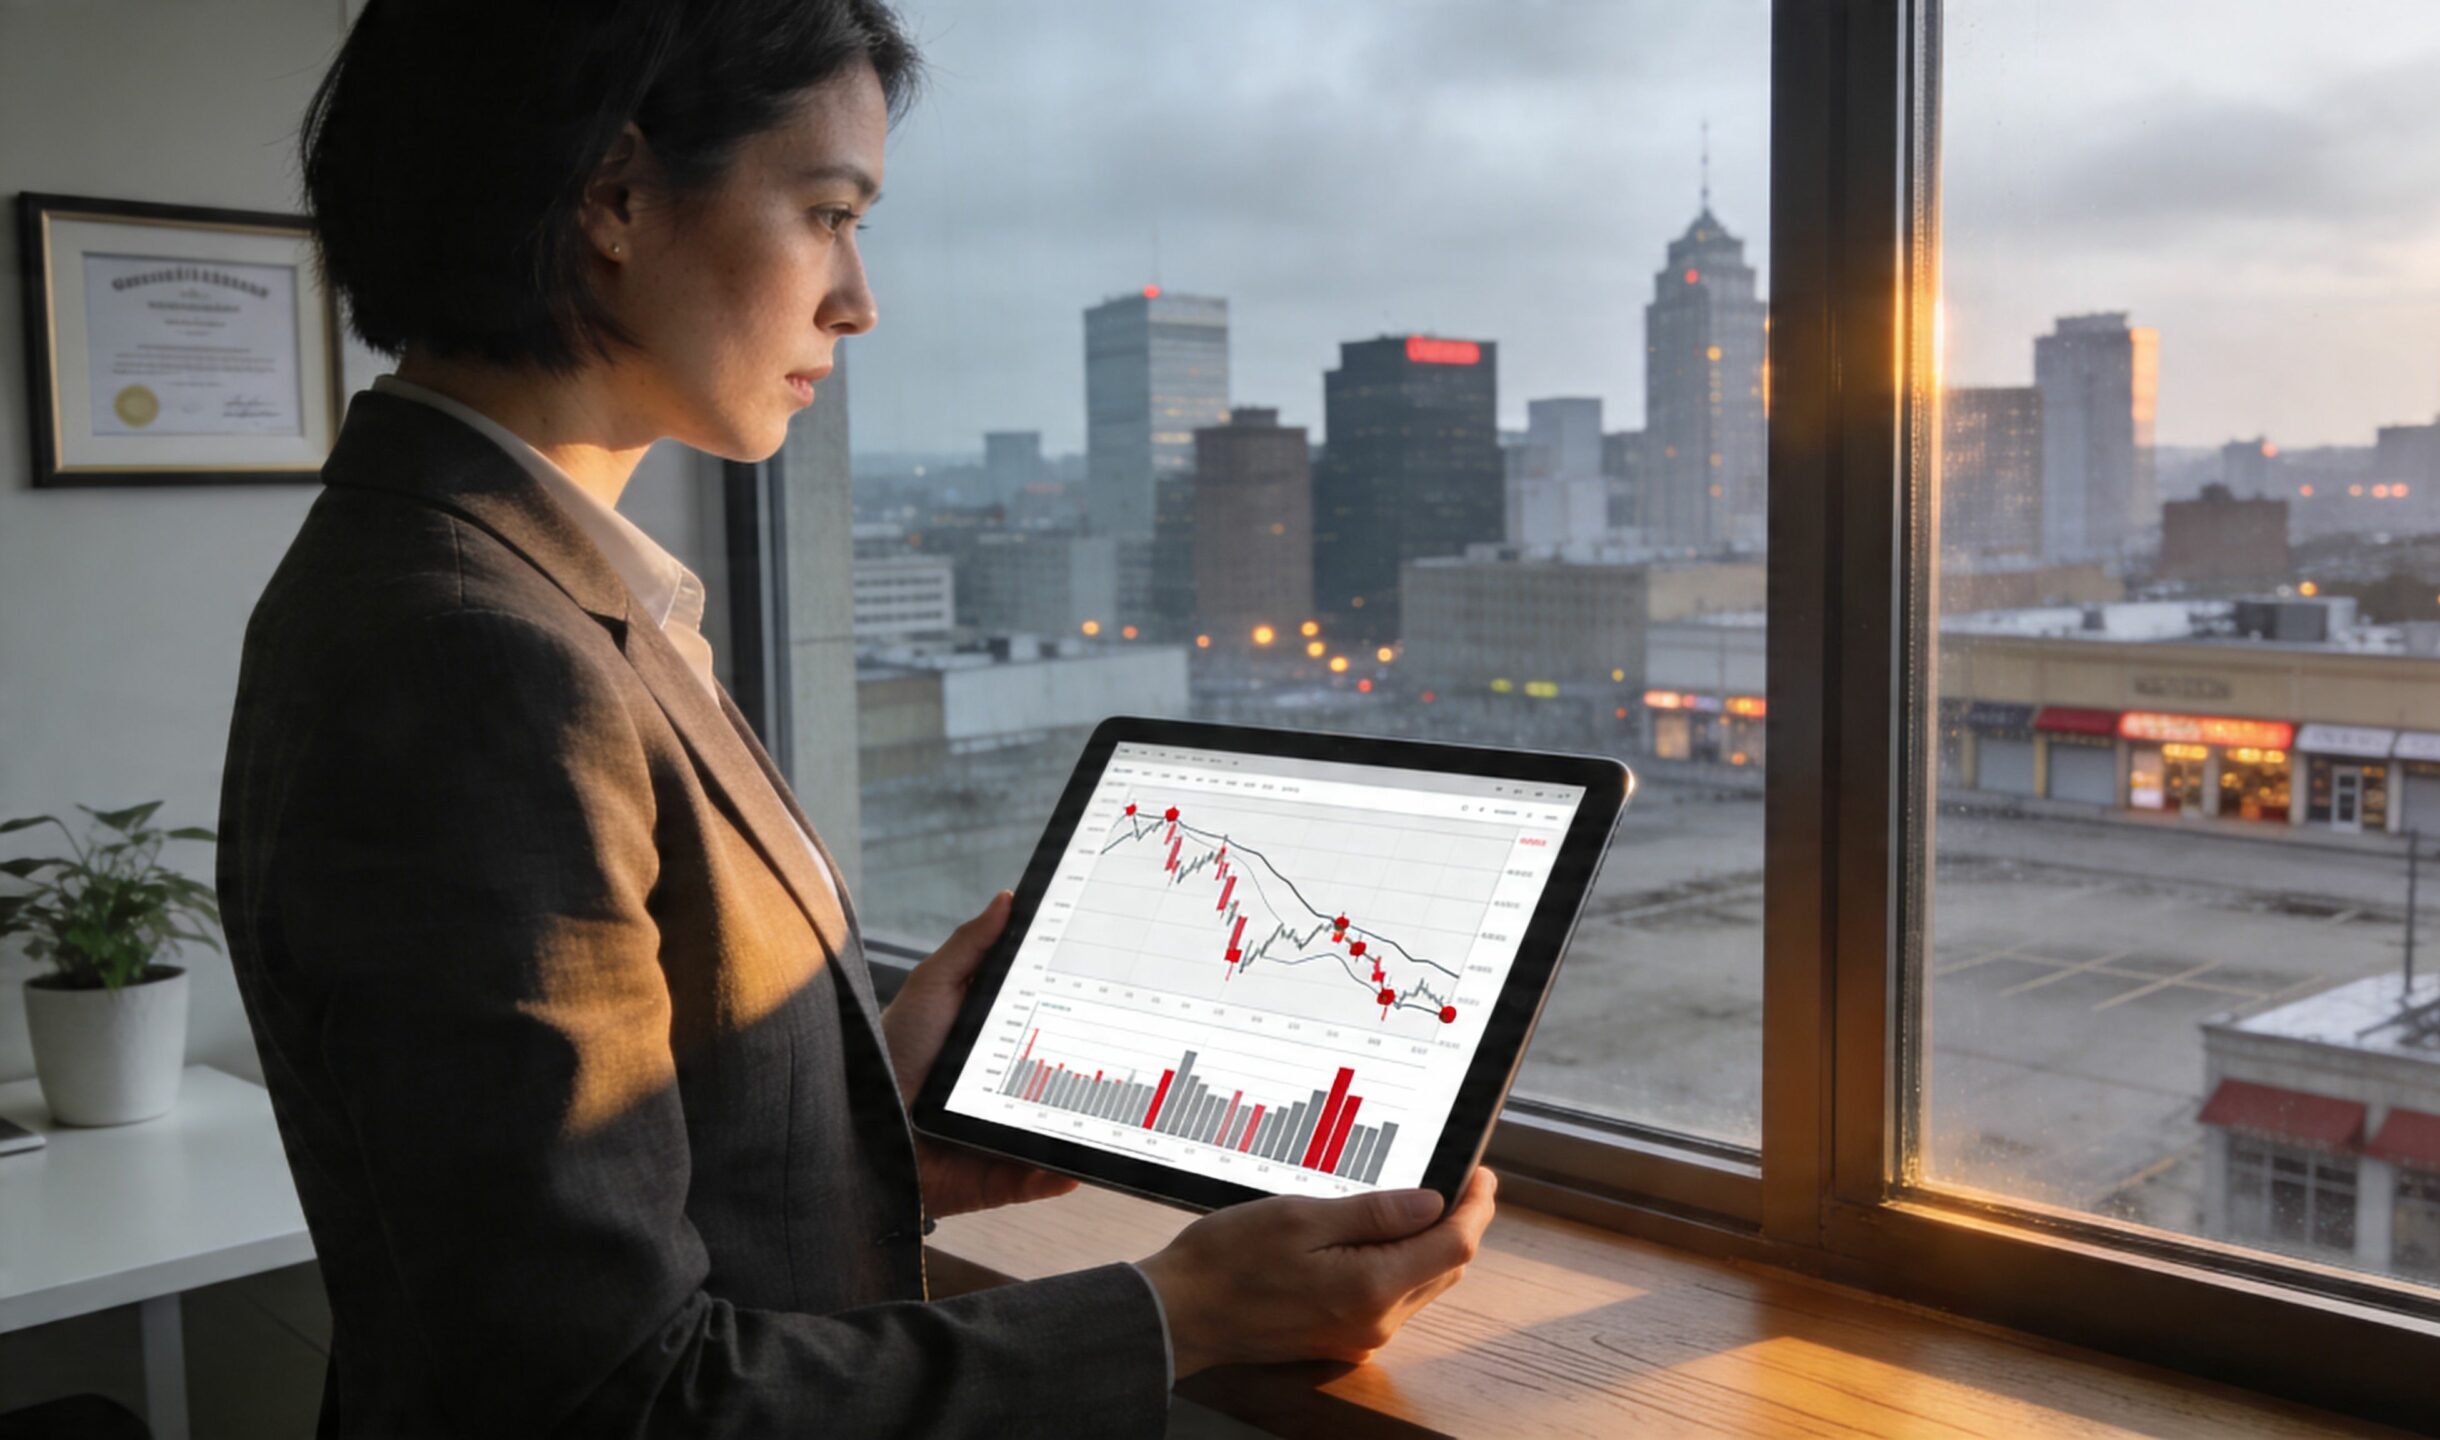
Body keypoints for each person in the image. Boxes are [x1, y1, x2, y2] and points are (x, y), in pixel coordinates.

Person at [213, 2, 1495, 1435]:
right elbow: (603, 1396)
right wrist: (1175, 1315)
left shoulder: (499, 579)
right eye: (828, 212)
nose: (859, 299)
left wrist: (855, 1120)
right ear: (615, 195)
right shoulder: (477, 655)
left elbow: (527, 1223)